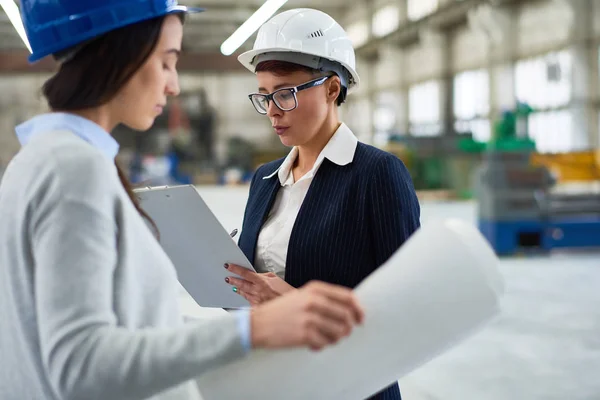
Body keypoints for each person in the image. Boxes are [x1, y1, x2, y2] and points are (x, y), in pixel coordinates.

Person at [0, 2, 366, 400]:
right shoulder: (73, 170)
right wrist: (253, 330)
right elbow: (83, 367)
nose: (173, 85)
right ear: (117, 54)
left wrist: (258, 328)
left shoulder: (39, 160)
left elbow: (132, 329)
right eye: (166, 61)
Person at [224, 8, 421, 400]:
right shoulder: (264, 180)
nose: (273, 110)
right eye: (264, 97)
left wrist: (293, 302)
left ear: (332, 89)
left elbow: (408, 315)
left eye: (285, 93)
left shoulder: (376, 175)